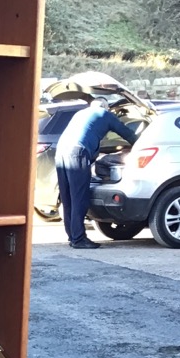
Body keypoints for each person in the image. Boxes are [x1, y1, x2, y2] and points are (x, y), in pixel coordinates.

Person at [55, 98, 140, 249]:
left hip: (61, 151)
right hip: (77, 152)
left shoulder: (81, 113)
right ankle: (79, 239)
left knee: (67, 197)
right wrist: (141, 145)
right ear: (106, 107)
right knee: (79, 197)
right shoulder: (105, 115)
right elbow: (128, 134)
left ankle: (73, 236)